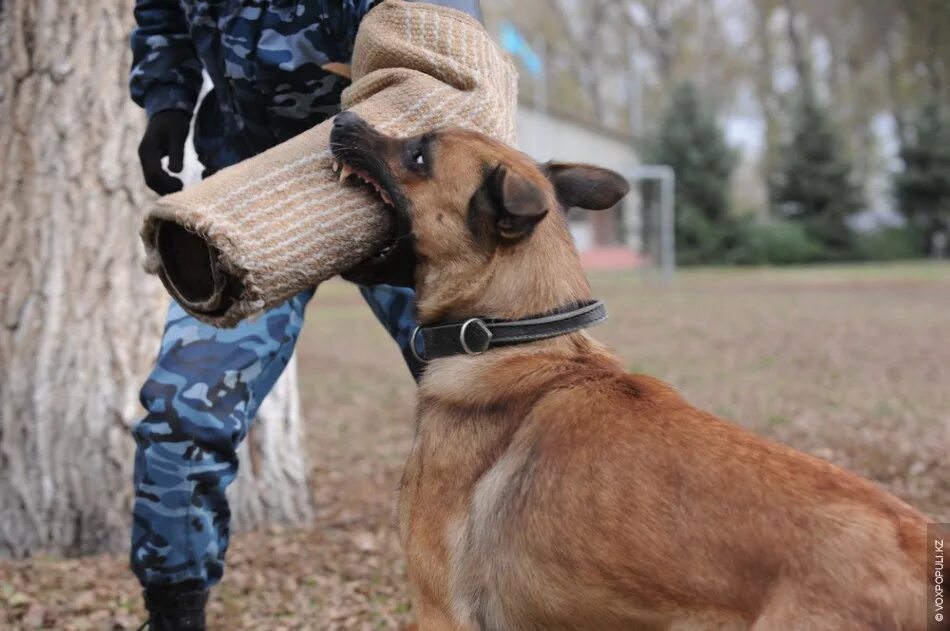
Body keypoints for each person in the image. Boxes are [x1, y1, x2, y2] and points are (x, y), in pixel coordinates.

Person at [129, 1, 482, 629]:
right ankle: (173, 616)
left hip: (401, 200)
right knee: (179, 419)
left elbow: (453, 63)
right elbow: (163, 15)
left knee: (503, 415)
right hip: (254, 198)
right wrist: (167, 103)